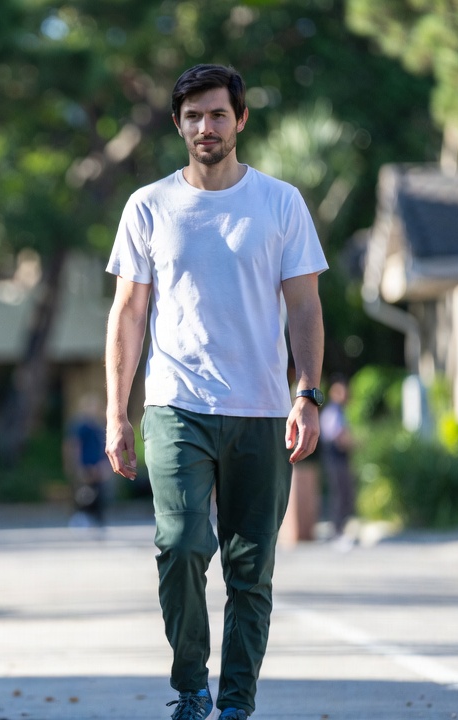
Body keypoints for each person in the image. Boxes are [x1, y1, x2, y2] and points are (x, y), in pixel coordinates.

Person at [103, 64, 327, 720]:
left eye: (218, 114)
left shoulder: (280, 203)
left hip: (260, 408)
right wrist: (118, 414)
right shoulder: (149, 206)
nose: (206, 126)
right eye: (194, 115)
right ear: (178, 124)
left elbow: (306, 308)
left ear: (241, 120)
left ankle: (233, 705)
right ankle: (190, 685)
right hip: (176, 406)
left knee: (250, 569)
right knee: (180, 545)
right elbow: (127, 315)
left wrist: (307, 395)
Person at [64, 393, 114, 528]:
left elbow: (104, 447)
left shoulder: (99, 426)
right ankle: (80, 518)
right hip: (85, 465)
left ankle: (98, 520)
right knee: (83, 494)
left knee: (99, 494)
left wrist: (105, 465)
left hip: (98, 466)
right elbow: (74, 446)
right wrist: (77, 466)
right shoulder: (80, 427)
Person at [319, 376, 356, 545]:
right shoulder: (332, 412)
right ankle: (337, 532)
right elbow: (339, 438)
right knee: (339, 495)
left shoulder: (339, 412)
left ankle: (341, 529)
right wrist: (353, 442)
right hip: (335, 459)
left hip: (341, 460)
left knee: (345, 495)